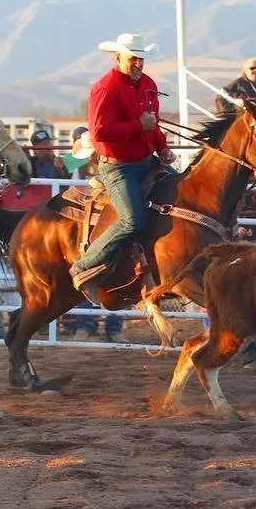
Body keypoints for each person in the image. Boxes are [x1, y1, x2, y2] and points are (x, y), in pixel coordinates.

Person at [70, 32, 175, 306]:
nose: (139, 64)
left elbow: (154, 124)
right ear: (118, 57)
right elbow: (100, 131)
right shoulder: (105, 88)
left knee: (182, 198)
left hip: (147, 161)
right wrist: (140, 125)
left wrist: (162, 147)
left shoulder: (148, 85)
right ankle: (83, 266)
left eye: (141, 59)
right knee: (133, 221)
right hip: (119, 168)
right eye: (133, 59)